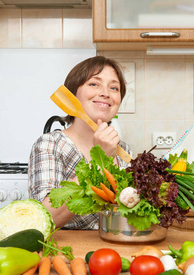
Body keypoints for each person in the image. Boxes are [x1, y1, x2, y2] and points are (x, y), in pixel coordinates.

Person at [28, 56, 132, 230]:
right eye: (94, 84)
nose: (105, 93)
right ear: (72, 94)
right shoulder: (49, 145)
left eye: (114, 88)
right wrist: (100, 161)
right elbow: (43, 219)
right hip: (66, 251)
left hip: (116, 250)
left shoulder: (123, 150)